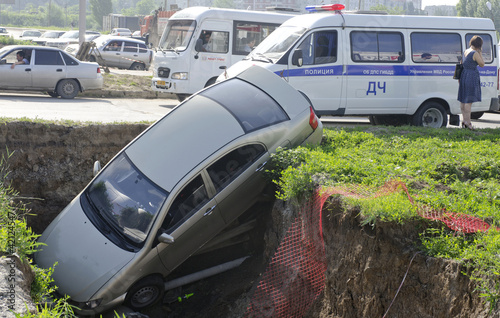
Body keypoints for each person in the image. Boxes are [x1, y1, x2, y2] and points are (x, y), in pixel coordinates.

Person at [457, 35, 485, 130]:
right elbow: (482, 64)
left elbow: (461, 63)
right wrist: (480, 53)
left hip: (464, 76)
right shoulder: (475, 53)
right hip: (471, 76)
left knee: (463, 99)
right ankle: (468, 122)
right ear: (479, 44)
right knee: (468, 101)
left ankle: (464, 120)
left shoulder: (466, 51)